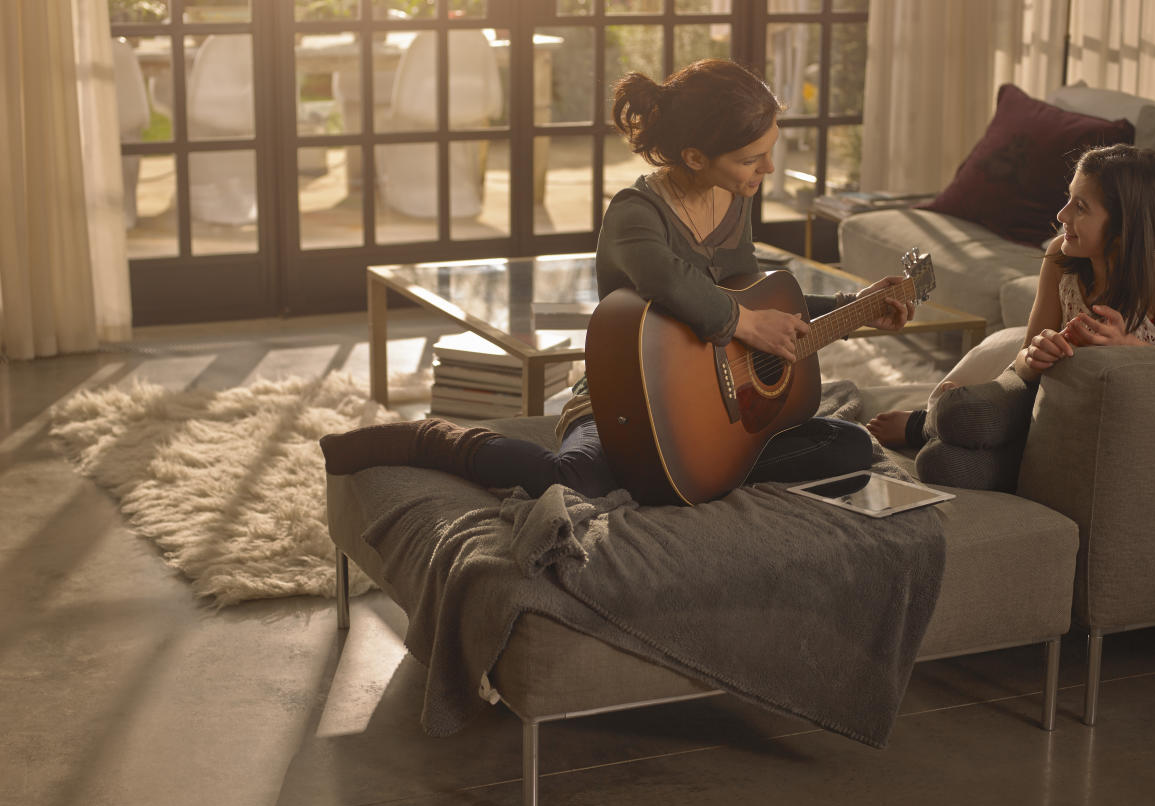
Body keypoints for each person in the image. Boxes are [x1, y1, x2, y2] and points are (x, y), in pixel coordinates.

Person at [320, 59, 916, 499]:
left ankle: (705, 466)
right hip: (627, 399)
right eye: (750, 158)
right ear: (692, 157)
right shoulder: (635, 213)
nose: (768, 167)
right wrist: (745, 323)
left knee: (849, 445)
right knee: (571, 479)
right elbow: (667, 280)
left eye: (768, 151)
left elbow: (758, 300)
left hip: (717, 407)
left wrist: (856, 304)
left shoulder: (732, 199)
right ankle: (432, 440)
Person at [864, 143, 1155, 489]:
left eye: (1081, 207)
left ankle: (929, 427)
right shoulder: (1061, 256)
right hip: (1040, 393)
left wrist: (1127, 349)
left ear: (1125, 224)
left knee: (941, 463)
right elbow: (1025, 359)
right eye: (1069, 198)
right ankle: (936, 423)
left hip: (1100, 426)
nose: (1062, 215)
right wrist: (1037, 353)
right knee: (956, 413)